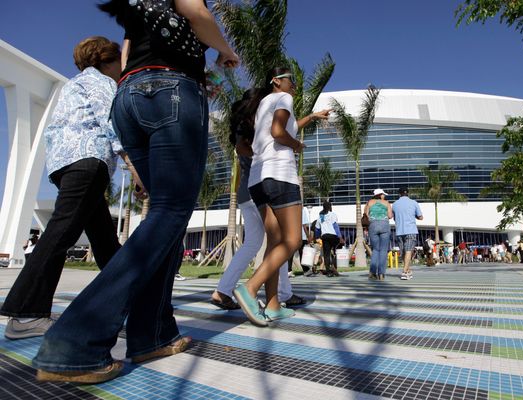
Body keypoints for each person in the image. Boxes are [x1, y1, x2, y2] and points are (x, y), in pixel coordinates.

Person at [33, 0, 239, 384]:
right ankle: (74, 341)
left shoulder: (136, 8)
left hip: (129, 96)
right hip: (171, 92)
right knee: (171, 211)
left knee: (167, 217)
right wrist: (226, 52)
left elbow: (130, 55)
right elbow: (195, 12)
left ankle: (153, 333)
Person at [0, 37, 129, 341]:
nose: (123, 68)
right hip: (88, 162)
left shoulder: (73, 85)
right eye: (120, 62)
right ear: (107, 61)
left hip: (65, 164)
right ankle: (26, 313)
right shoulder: (101, 82)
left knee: (105, 241)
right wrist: (132, 165)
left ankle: (124, 304)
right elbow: (110, 121)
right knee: (61, 233)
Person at [231, 67, 330, 327]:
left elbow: (289, 127)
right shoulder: (283, 99)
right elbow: (279, 132)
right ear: (277, 81)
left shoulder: (263, 104)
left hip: (257, 180)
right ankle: (250, 289)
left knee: (275, 243)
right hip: (280, 175)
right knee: (292, 239)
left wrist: (312, 116)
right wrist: (296, 146)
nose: (295, 86)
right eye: (291, 81)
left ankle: (273, 304)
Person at [210, 91, 304, 311]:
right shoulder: (253, 125)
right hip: (259, 186)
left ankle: (223, 290)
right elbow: (244, 148)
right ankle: (279, 293)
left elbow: (292, 126)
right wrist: (262, 153)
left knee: (259, 241)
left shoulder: (247, 124)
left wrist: (313, 116)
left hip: (246, 191)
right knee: (278, 240)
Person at [391, 187, 423, 280]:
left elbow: (394, 217)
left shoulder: (395, 204)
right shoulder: (414, 203)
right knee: (408, 250)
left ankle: (408, 271)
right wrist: (414, 216)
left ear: (399, 194)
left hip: (399, 231)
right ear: (408, 193)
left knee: (404, 252)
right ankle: (405, 272)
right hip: (411, 230)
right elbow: (421, 217)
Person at [364, 189, 393, 280]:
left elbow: (365, 215)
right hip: (384, 225)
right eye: (383, 194)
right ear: (380, 195)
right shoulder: (386, 203)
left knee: (376, 250)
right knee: (383, 250)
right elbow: (390, 216)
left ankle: (372, 272)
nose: (384, 196)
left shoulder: (369, 202)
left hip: (373, 225)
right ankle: (381, 274)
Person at [315, 201, 342, 277]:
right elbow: (335, 226)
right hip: (333, 236)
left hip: (325, 236)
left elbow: (317, 229)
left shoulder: (320, 217)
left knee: (326, 254)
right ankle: (334, 268)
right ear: (330, 207)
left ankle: (328, 271)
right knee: (334, 252)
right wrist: (340, 236)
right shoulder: (333, 214)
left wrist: (317, 237)